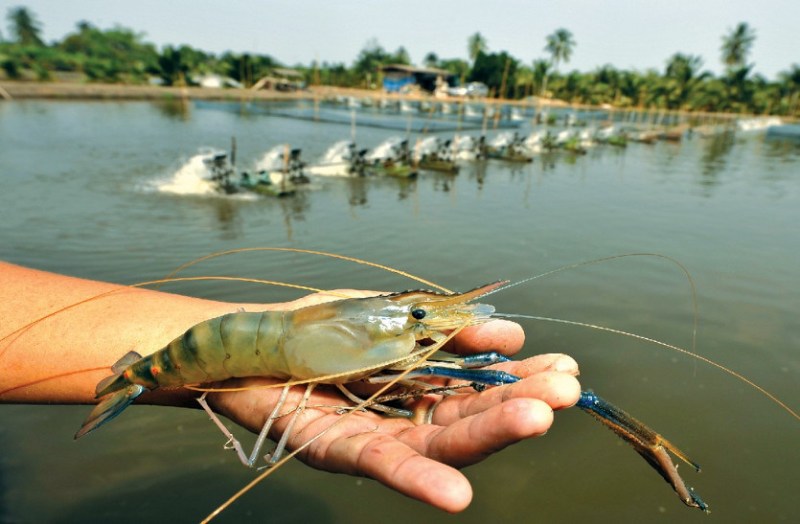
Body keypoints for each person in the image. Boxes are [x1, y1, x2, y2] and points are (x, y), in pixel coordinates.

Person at [0, 261, 580, 513]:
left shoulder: (374, 326)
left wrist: (418, 322)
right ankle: (133, 379)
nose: (421, 323)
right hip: (205, 353)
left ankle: (133, 377)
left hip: (235, 345)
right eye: (417, 316)